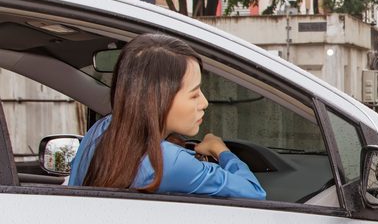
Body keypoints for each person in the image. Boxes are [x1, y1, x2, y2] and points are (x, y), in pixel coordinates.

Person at [69, 33, 266, 199]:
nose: (204, 103)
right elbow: (254, 192)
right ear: (158, 99)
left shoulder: (103, 128)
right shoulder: (167, 162)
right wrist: (220, 150)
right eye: (195, 94)